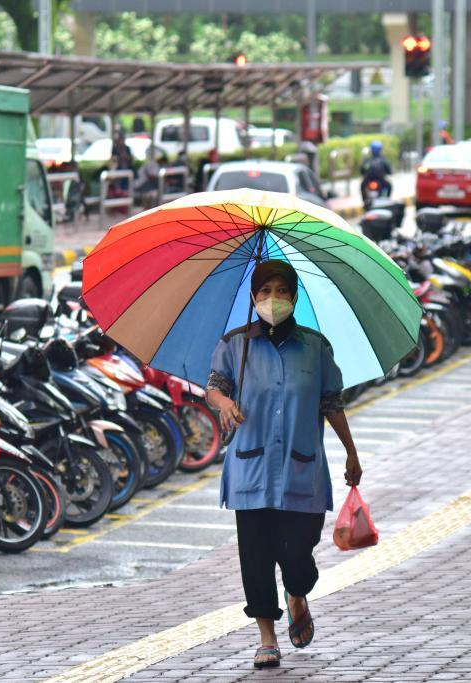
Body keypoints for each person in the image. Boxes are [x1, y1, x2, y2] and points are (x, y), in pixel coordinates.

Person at [205, 260, 363, 670]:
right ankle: (266, 636)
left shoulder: (315, 346)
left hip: (302, 470)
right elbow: (214, 387)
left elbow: (331, 401)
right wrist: (224, 403)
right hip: (249, 469)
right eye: (264, 291)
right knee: (255, 557)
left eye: (281, 290)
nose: (272, 298)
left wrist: (351, 450)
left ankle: (297, 592)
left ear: (293, 296)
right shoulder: (234, 345)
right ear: (254, 298)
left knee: (297, 555)